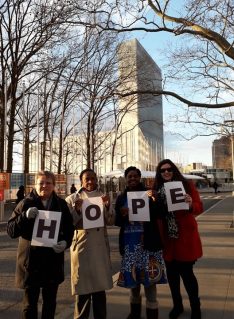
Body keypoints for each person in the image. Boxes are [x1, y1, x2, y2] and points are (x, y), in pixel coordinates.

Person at [7, 171, 74, 319]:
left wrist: (65, 243)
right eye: (41, 183)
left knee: (50, 304)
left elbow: (69, 230)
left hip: (52, 263)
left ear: (54, 185)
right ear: (35, 185)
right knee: (29, 306)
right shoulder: (25, 203)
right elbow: (11, 230)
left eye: (48, 183)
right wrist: (24, 216)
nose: (44, 186)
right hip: (31, 264)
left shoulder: (61, 205)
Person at [115, 166, 167, 319]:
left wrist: (155, 200)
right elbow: (117, 222)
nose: (132, 179)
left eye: (135, 176)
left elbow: (160, 214)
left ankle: (152, 315)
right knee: (134, 284)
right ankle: (134, 314)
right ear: (126, 179)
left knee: (150, 284)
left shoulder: (149, 194)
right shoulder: (121, 198)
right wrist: (123, 214)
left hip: (149, 245)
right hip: (130, 245)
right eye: (129, 176)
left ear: (139, 177)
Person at [154, 159, 203, 319]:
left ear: (174, 170)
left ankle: (196, 307)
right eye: (163, 170)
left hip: (184, 238)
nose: (166, 172)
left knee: (188, 275)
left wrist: (190, 204)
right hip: (168, 240)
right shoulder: (156, 190)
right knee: (173, 277)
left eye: (169, 169)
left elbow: (198, 207)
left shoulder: (187, 185)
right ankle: (177, 305)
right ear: (159, 174)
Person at [65, 168, 114, 319]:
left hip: (99, 248)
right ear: (81, 180)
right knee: (83, 292)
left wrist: (107, 206)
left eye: (93, 178)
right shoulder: (72, 199)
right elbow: (67, 225)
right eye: (87, 179)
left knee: (100, 291)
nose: (91, 181)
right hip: (81, 248)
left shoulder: (103, 197)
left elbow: (111, 221)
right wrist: (77, 210)